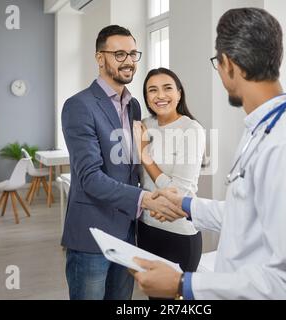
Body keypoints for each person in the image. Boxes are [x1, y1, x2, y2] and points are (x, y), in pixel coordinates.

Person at [131, 8, 286, 300]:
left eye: (217, 62)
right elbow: (248, 214)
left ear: (227, 64)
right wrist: (188, 204)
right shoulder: (262, 129)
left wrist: (183, 285)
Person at [61, 25, 186, 300]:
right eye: (119, 54)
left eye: (132, 53)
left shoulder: (134, 106)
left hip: (128, 231)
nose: (128, 61)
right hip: (92, 233)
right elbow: (90, 177)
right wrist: (147, 199)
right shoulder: (79, 105)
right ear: (99, 58)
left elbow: (130, 169)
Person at [133, 68, 206, 299]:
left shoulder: (191, 130)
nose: (160, 95)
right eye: (152, 90)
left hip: (179, 234)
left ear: (179, 93)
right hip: (146, 228)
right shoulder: (145, 125)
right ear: (146, 98)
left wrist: (145, 155)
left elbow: (178, 192)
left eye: (167, 88)